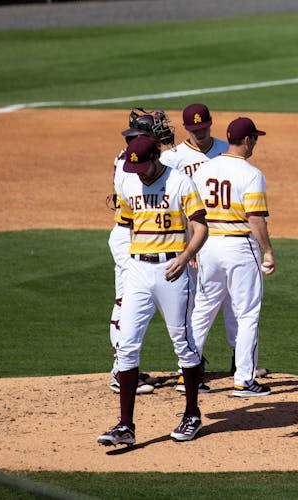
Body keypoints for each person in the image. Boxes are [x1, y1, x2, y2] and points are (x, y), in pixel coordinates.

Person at [97, 135, 209, 446]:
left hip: (172, 270)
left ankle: (192, 415)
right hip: (138, 271)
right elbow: (129, 224)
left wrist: (186, 257)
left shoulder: (181, 183)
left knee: (182, 343)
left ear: (156, 158)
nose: (139, 172)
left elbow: (201, 226)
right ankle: (125, 426)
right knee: (127, 346)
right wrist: (136, 258)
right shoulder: (130, 183)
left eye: (143, 166)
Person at [190, 117, 276, 398]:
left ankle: (187, 373)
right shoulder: (251, 174)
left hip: (208, 245)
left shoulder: (204, 169)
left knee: (202, 310)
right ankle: (244, 379)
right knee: (247, 313)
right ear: (248, 140)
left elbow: (193, 213)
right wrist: (268, 250)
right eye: (255, 138)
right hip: (240, 246)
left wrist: (193, 247)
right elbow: (255, 220)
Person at [159, 103, 239, 391]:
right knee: (196, 304)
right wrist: (189, 247)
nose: (200, 133)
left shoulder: (226, 149)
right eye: (194, 130)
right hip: (192, 239)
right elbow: (171, 202)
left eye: (203, 127)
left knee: (234, 302)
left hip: (225, 234)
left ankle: (240, 361)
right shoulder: (173, 157)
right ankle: (193, 364)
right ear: (185, 129)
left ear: (211, 123)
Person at [107, 108, 176, 395]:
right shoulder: (131, 169)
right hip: (133, 238)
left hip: (135, 234)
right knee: (129, 304)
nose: (164, 132)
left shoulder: (130, 159)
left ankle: (121, 369)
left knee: (128, 302)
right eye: (157, 129)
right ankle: (120, 372)